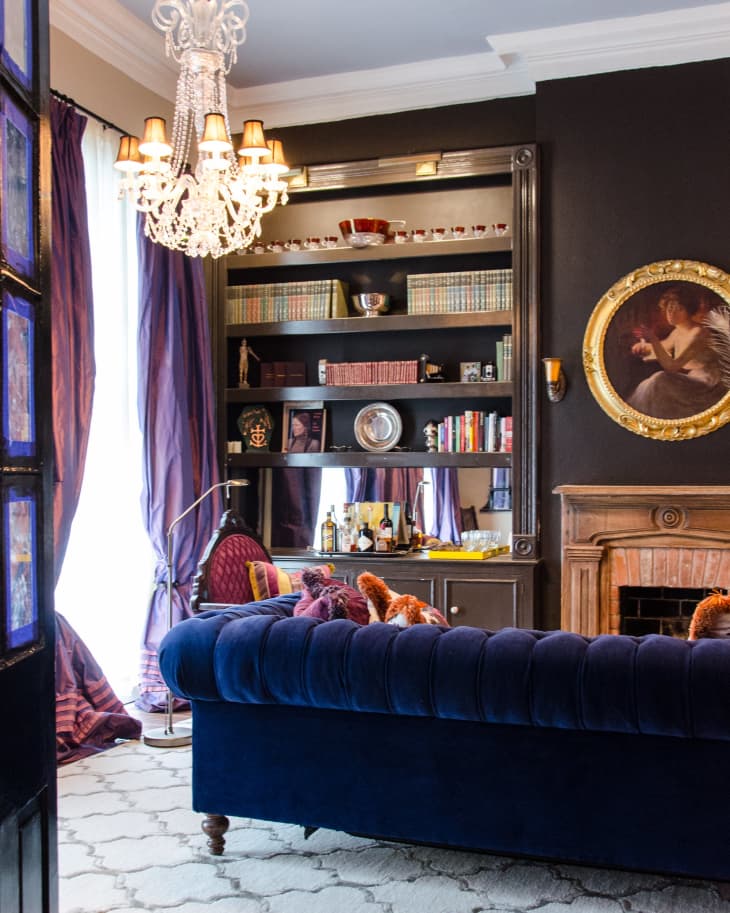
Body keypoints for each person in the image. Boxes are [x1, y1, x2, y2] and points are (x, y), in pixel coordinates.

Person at [626, 285, 727, 419]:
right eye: (669, 308)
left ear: (689, 310)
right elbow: (664, 346)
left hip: (707, 383)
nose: (672, 313)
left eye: (679, 309)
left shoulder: (698, 333)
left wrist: (653, 338)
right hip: (693, 377)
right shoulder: (678, 331)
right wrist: (643, 346)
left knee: (658, 379)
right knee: (648, 385)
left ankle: (636, 416)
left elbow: (672, 367)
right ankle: (634, 415)